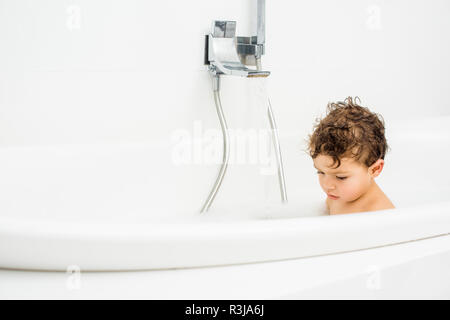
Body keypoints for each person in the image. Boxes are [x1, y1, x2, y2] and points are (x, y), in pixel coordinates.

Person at [306, 97, 395, 215]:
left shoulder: (380, 213)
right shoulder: (338, 196)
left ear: (374, 169)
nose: (327, 185)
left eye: (341, 177)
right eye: (321, 172)